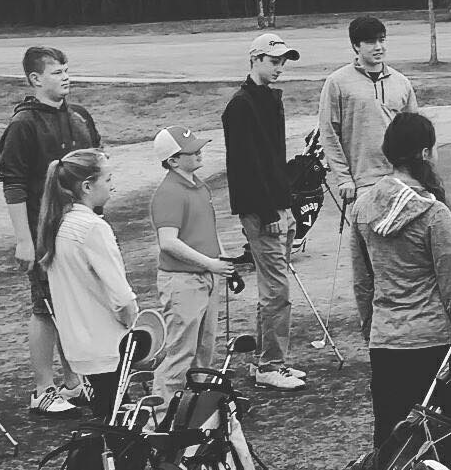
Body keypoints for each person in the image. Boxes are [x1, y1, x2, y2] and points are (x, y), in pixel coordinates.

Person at [349, 111, 451, 448]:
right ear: (426, 153)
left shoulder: (362, 208)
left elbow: (362, 281)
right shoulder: (434, 213)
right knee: (440, 440)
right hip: (432, 339)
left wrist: (370, 326)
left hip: (386, 340)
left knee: (390, 441)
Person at [0, 44, 101, 417]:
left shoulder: (80, 116)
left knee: (74, 307)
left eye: (67, 69)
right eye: (57, 72)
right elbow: (13, 184)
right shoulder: (23, 125)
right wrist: (24, 240)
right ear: (35, 79)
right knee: (45, 309)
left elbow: (96, 167)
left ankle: (74, 382)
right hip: (44, 234)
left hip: (82, 230)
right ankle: (43, 389)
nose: (66, 77)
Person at [221, 31, 306, 393]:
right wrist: (270, 210)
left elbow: (272, 161)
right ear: (255, 59)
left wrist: (286, 204)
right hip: (262, 211)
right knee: (276, 290)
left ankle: (266, 362)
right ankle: (270, 364)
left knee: (274, 288)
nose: (279, 68)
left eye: (282, 62)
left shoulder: (269, 99)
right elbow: (246, 167)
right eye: (273, 61)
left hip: (277, 205)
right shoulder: (241, 105)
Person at [36, 148, 139, 416]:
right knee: (117, 425)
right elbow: (122, 296)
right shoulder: (93, 227)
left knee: (106, 417)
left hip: (79, 347)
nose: (112, 185)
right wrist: (133, 325)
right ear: (86, 186)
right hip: (107, 346)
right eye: (107, 179)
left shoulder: (58, 223)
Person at [148, 125, 237, 402]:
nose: (199, 153)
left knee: (204, 349)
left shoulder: (199, 185)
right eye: (191, 151)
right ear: (173, 160)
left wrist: (221, 259)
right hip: (183, 281)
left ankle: (193, 407)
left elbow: (207, 230)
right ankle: (160, 416)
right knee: (180, 352)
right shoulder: (169, 193)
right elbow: (168, 242)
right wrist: (211, 264)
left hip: (206, 276)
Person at [318, 14, 419, 204]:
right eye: (371, 42)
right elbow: (329, 133)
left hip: (402, 181)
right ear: (356, 46)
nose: (379, 47)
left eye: (382, 40)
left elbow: (415, 133)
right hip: (362, 184)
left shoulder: (401, 82)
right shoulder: (337, 82)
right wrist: (343, 178)